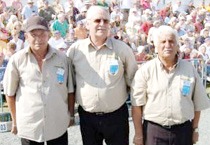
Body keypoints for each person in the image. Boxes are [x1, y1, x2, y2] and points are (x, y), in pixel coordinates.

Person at [66, 6, 138, 145]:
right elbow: (70, 83)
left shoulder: (122, 49)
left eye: (106, 21)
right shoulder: (75, 51)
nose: (102, 24)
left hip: (116, 116)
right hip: (88, 118)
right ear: (87, 24)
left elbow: (133, 80)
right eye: (97, 20)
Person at [131, 25, 210, 145]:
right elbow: (137, 106)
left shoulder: (189, 69)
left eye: (172, 41)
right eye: (163, 41)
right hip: (154, 132)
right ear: (156, 46)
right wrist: (138, 134)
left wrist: (195, 129)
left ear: (177, 46)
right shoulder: (145, 70)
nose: (168, 45)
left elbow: (197, 103)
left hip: (183, 131)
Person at [3, 16, 74, 145]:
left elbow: (70, 90)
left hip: (57, 124)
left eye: (42, 34)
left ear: (49, 35)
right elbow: (10, 93)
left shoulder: (63, 58)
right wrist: (15, 121)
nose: (38, 39)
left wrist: (70, 115)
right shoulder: (17, 60)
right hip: (30, 127)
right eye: (33, 35)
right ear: (26, 36)